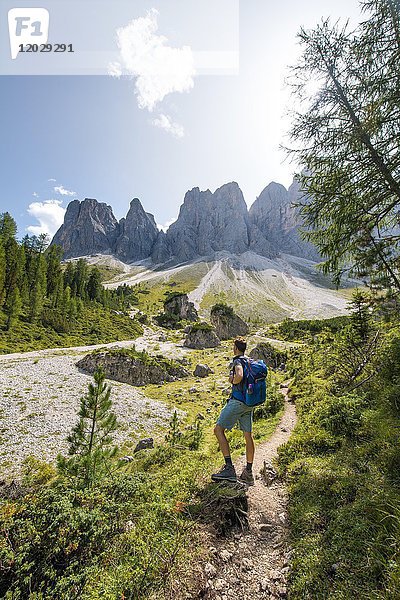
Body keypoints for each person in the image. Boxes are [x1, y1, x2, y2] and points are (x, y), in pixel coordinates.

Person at [211, 337, 255, 485]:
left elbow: (239, 375)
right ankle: (248, 472)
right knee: (248, 436)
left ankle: (229, 468)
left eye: (233, 346)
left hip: (238, 402)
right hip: (249, 403)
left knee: (218, 430)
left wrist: (232, 380)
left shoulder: (237, 361)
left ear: (236, 348)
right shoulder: (249, 360)